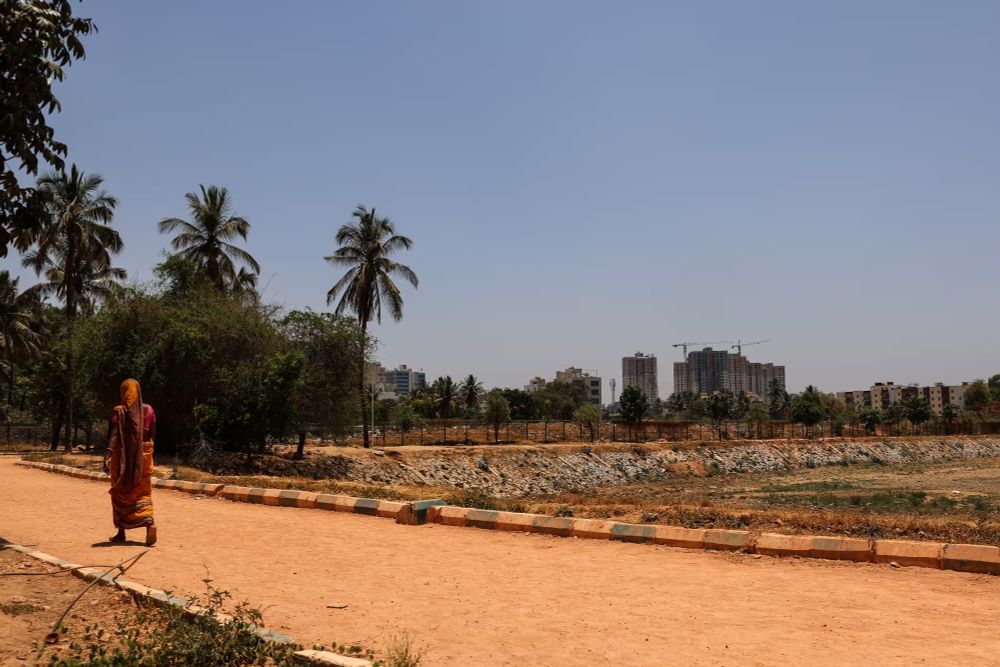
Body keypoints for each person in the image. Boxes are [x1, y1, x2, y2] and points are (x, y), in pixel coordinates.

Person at [103, 378, 157, 546]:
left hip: (122, 459)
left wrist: (107, 456)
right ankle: (149, 523)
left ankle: (121, 532)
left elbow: (114, 436)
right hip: (144, 457)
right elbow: (152, 435)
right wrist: (143, 452)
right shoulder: (149, 410)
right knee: (142, 492)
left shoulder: (119, 412)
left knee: (120, 491)